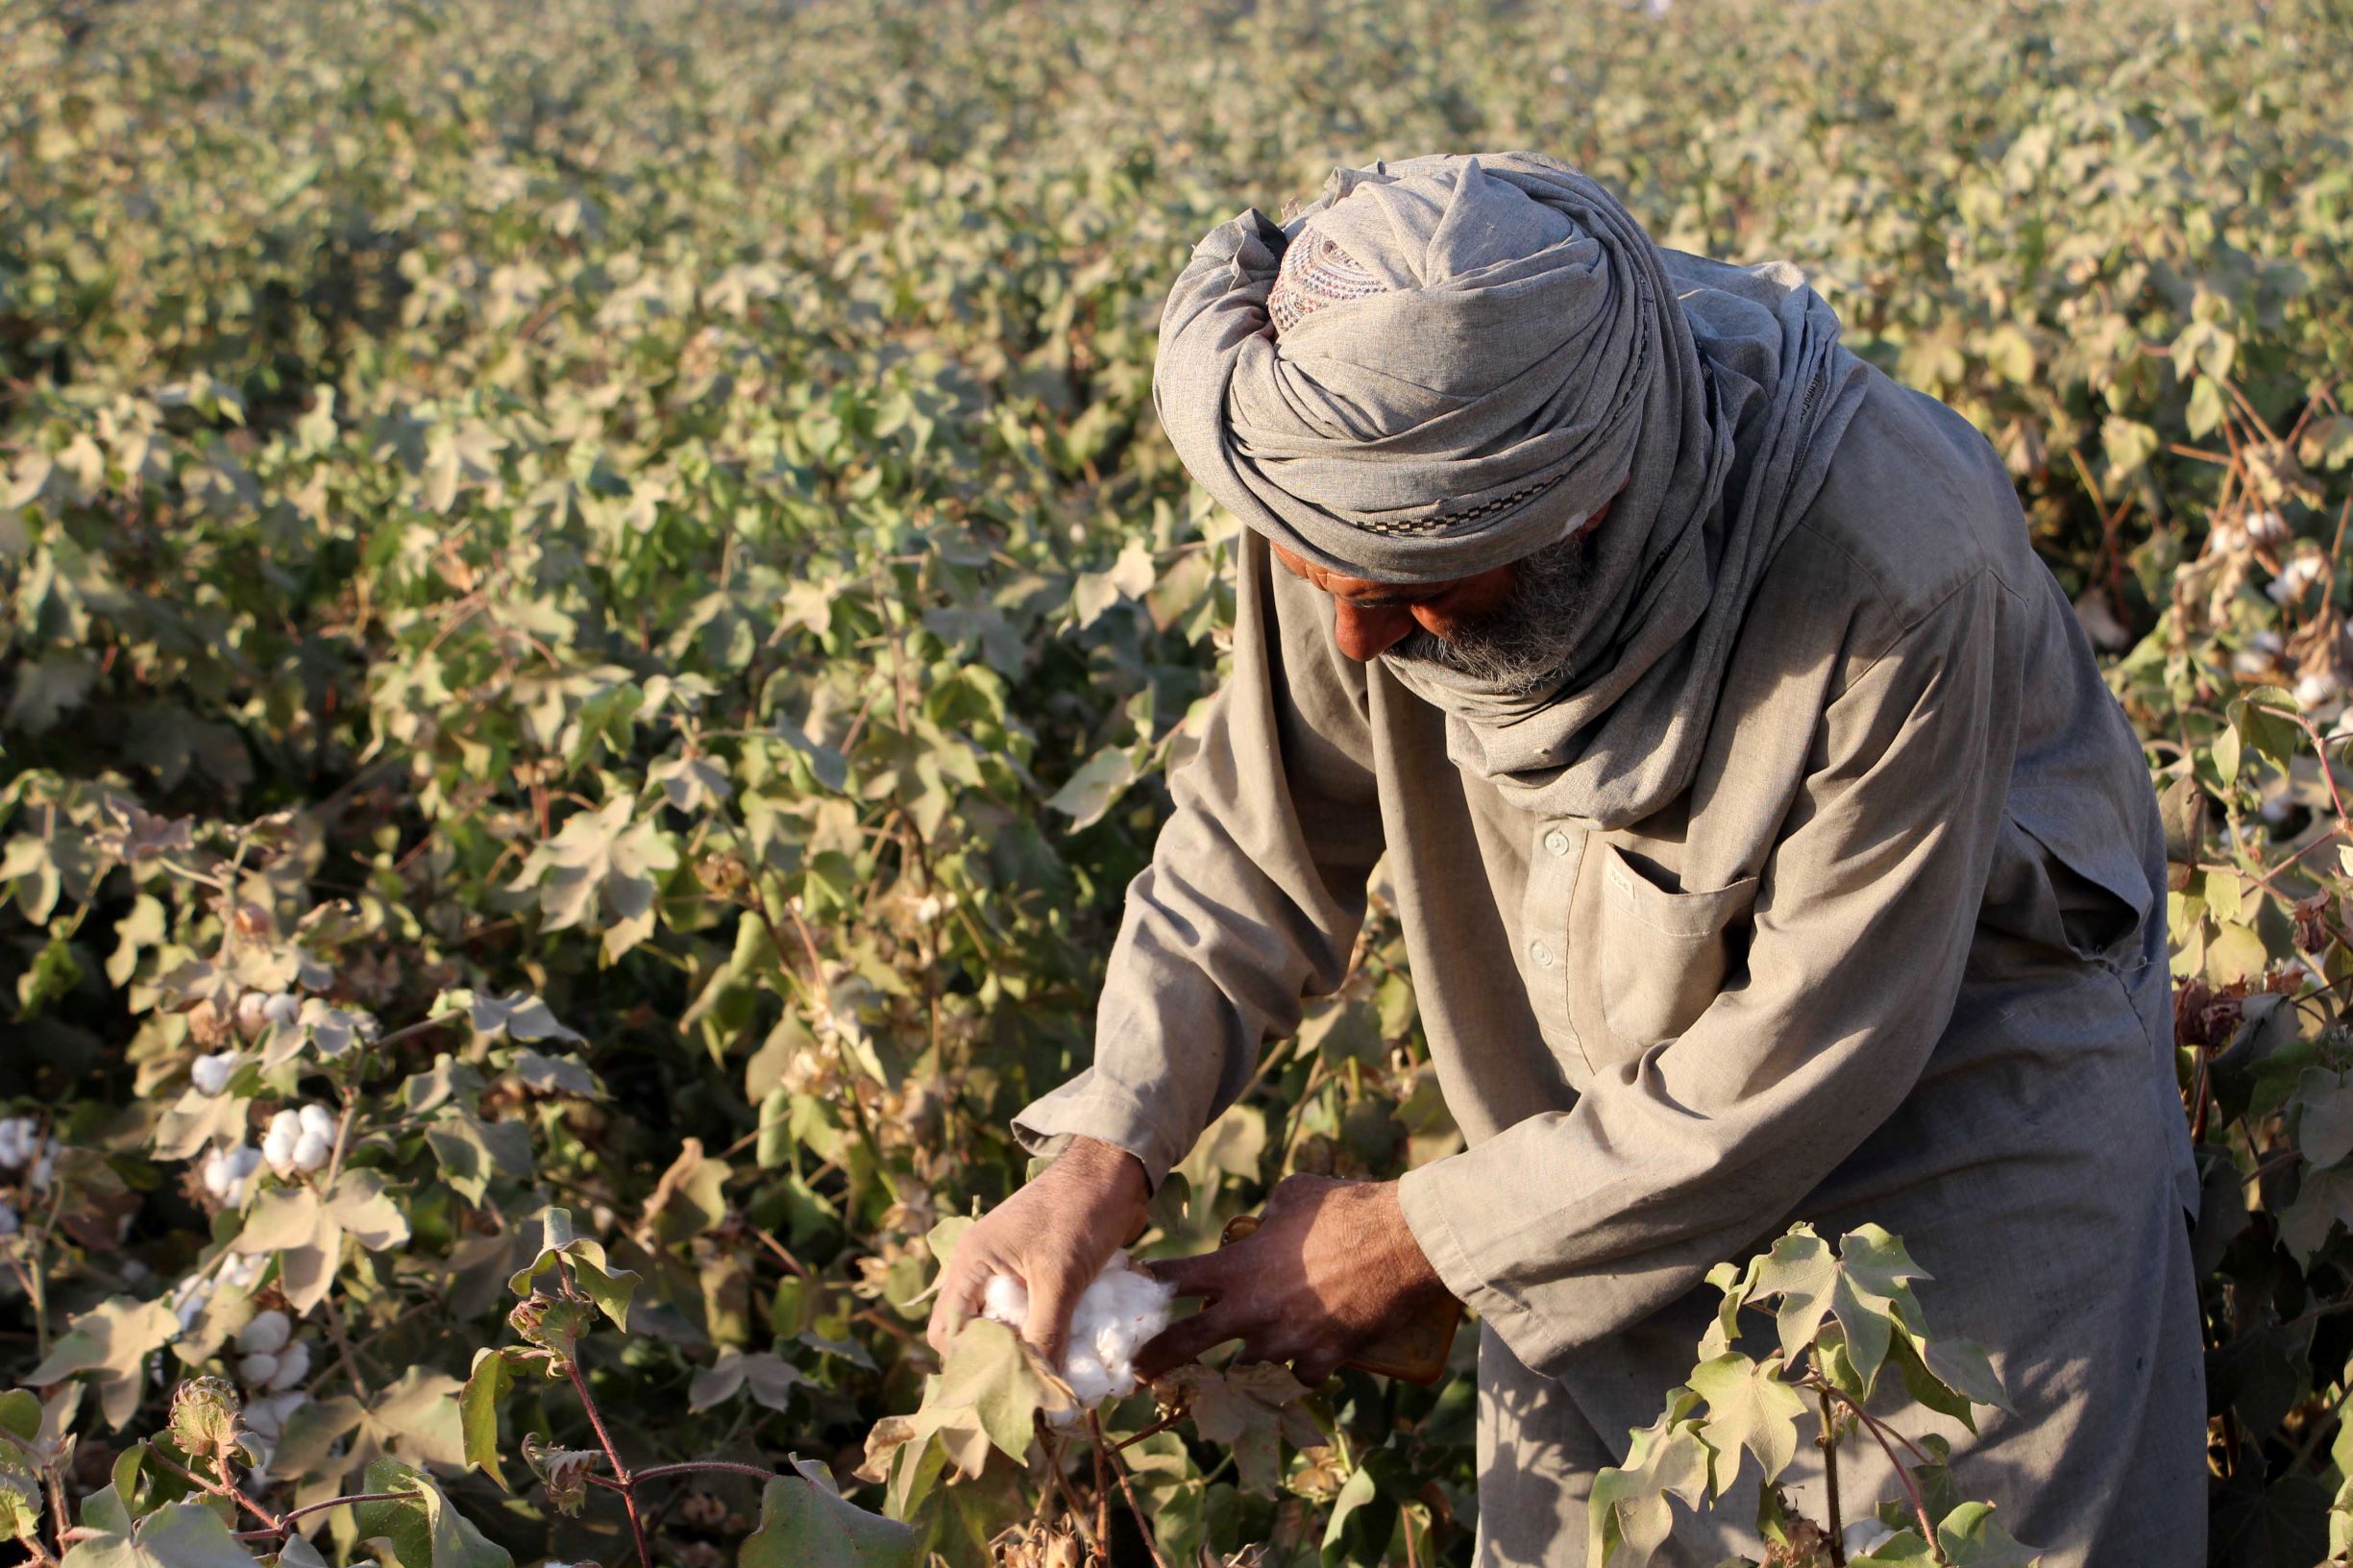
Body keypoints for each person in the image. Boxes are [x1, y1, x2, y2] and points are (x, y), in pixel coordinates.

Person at [924, 150, 2205, 1566]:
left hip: (1951, 1111)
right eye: (1326, 585)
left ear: (1575, 516)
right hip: (1575, 1124)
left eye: (1409, 600)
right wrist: (1105, 1148)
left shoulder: (1892, 564)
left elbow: (1816, 1043)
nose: (1354, 643)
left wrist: (1423, 1237)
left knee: (1961, 1521)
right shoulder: (1340, 485)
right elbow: (1256, 833)